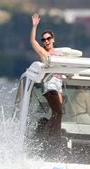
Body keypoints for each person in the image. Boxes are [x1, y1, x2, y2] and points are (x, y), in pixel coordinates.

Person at [30, 13, 63, 141]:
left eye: (48, 38)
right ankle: (45, 136)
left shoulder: (59, 53)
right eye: (43, 40)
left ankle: (55, 137)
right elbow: (33, 41)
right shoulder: (44, 53)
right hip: (50, 83)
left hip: (59, 84)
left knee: (59, 114)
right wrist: (34, 26)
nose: (46, 41)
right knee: (57, 113)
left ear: (53, 39)